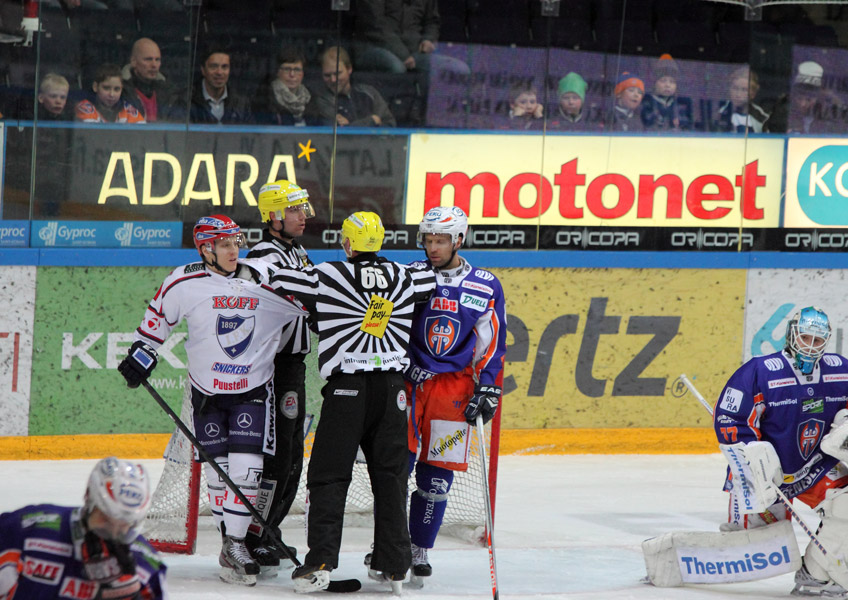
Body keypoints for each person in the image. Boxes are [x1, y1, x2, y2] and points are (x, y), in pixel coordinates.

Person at [117, 214, 306, 587]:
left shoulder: (264, 274)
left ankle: (236, 544)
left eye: (236, 242)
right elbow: (156, 323)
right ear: (205, 249)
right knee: (220, 474)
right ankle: (229, 545)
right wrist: (142, 355)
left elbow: (312, 296)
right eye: (224, 244)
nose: (234, 250)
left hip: (253, 389)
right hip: (206, 391)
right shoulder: (183, 281)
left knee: (247, 469)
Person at [268, 211, 436, 593]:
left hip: (348, 391)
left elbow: (278, 279)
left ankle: (320, 563)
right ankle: (395, 565)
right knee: (391, 478)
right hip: (394, 391)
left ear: (347, 243)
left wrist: (322, 312)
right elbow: (432, 278)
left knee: (329, 476)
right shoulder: (406, 275)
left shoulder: (330, 274)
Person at [403, 206, 507, 585]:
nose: (433, 247)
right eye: (428, 240)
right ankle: (391, 545)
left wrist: (490, 387)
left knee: (436, 479)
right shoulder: (409, 276)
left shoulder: (484, 284)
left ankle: (419, 548)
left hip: (454, 391)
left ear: (459, 240)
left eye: (441, 240)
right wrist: (400, 364)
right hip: (409, 385)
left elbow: (493, 343)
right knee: (395, 468)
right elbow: (387, 324)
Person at [713, 306, 848, 597]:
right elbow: (730, 417)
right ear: (792, 335)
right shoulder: (760, 370)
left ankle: (816, 574)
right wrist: (751, 457)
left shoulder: (840, 369)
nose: (810, 346)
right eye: (805, 338)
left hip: (816, 466)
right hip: (767, 476)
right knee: (754, 551)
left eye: (817, 340)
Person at [243, 180, 316, 573]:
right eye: (293, 210)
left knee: (291, 459)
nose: (302, 216)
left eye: (303, 208)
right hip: (273, 368)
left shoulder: (297, 251)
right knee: (276, 457)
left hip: (293, 367)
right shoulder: (262, 257)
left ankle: (268, 529)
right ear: (273, 215)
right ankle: (254, 536)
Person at [0, 456, 168, 599]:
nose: (112, 533)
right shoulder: (26, 532)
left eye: (124, 524)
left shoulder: (146, 567)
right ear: (89, 500)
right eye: (105, 519)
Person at [352, 0, 469, 77]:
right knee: (397, 68)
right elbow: (376, 26)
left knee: (460, 70)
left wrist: (428, 39)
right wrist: (403, 54)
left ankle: (430, 112)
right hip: (374, 47)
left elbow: (432, 21)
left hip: (414, 52)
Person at [306, 46, 396, 128]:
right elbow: (337, 133)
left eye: (337, 73)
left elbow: (390, 124)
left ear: (349, 69)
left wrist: (351, 124)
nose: (333, 79)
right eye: (327, 75)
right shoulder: (321, 99)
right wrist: (372, 120)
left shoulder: (369, 92)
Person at [184, 47, 252, 125]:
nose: (219, 72)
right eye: (213, 66)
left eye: (224, 67)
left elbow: (250, 136)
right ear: (203, 70)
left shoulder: (241, 104)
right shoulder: (185, 100)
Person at [253, 46, 315, 127]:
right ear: (278, 72)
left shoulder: (311, 100)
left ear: (302, 74)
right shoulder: (264, 99)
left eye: (297, 70)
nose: (292, 74)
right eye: (287, 69)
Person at [121, 37, 176, 122]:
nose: (154, 65)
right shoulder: (120, 91)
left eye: (157, 60)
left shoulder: (169, 92)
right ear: (133, 61)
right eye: (148, 59)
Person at [75, 63, 146, 124]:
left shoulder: (129, 110)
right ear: (95, 87)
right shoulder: (84, 108)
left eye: (117, 89)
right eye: (106, 88)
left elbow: (142, 135)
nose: (112, 94)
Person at [717, 66, 770, 133]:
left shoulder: (761, 117)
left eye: (744, 90)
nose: (738, 94)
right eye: (735, 88)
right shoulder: (721, 113)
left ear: (753, 94)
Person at [641, 54, 680, 131]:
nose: (667, 85)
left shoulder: (676, 104)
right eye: (663, 81)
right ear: (655, 83)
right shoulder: (647, 102)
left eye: (672, 82)